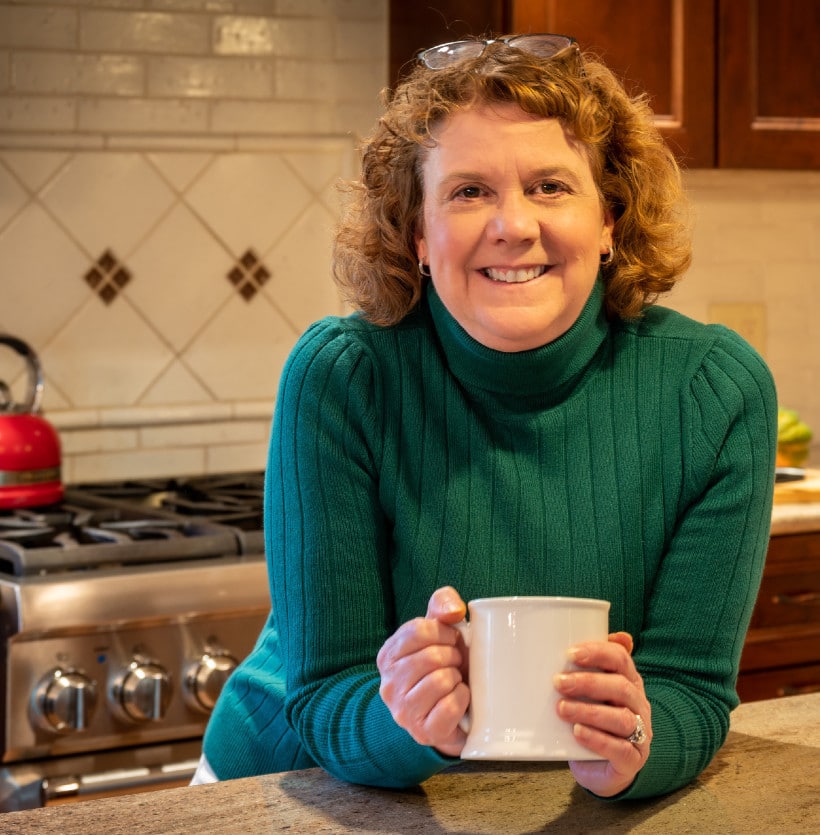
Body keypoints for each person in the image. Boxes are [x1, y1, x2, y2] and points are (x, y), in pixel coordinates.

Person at [195, 33, 777, 800]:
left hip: (549, 801)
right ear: (418, 236)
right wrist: (401, 719)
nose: (513, 225)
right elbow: (322, 697)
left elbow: (690, 692)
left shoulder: (717, 392)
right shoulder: (343, 377)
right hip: (288, 784)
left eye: (549, 186)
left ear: (610, 220)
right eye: (469, 191)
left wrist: (639, 738)